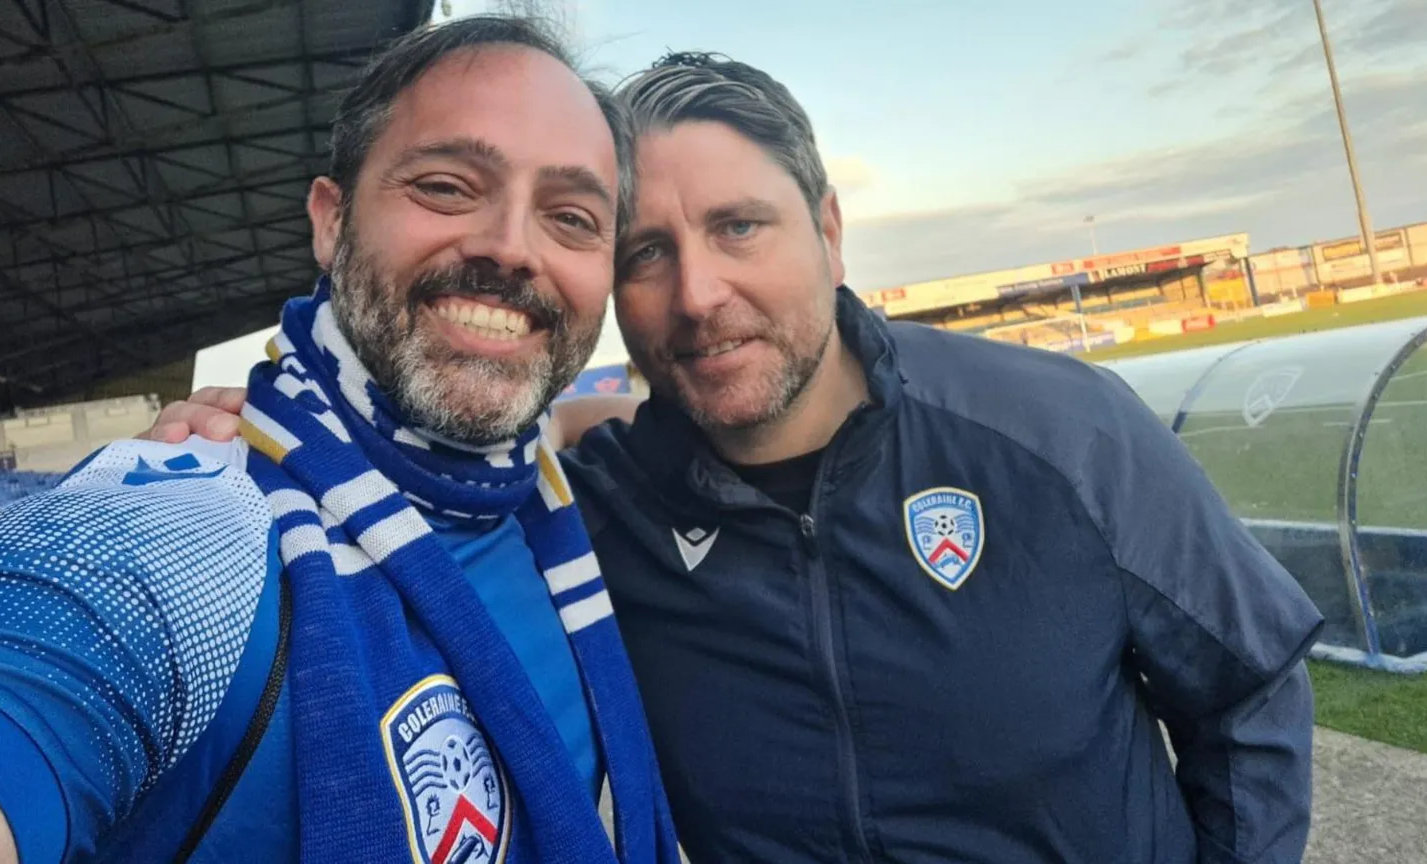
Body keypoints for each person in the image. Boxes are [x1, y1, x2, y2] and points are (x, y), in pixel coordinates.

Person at [153, 52, 1324, 863]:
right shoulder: (598, 513)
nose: (699, 295)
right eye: (647, 251)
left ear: (826, 226)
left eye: (739, 228)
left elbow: (1253, 684)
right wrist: (256, 429)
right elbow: (457, 453)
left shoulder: (1063, 431)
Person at [0, 17, 679, 864]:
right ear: (330, 222)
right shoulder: (189, 532)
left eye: (573, 217)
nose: (511, 247)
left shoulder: (556, 508)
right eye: (445, 185)